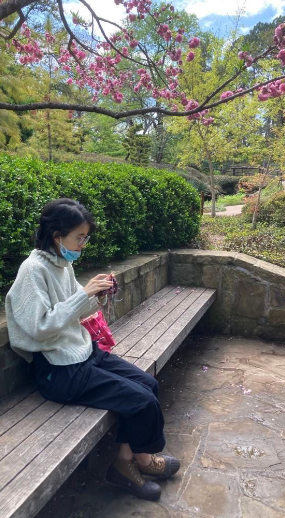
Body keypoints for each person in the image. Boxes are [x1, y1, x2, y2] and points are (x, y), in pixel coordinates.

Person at [4, 198, 180, 501]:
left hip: (82, 353)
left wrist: (96, 290)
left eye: (86, 237)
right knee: (140, 401)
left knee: (148, 384)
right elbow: (38, 328)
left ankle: (128, 461)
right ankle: (138, 462)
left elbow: (77, 310)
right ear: (57, 235)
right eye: (79, 237)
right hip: (58, 371)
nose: (83, 244)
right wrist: (82, 295)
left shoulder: (62, 264)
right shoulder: (32, 270)